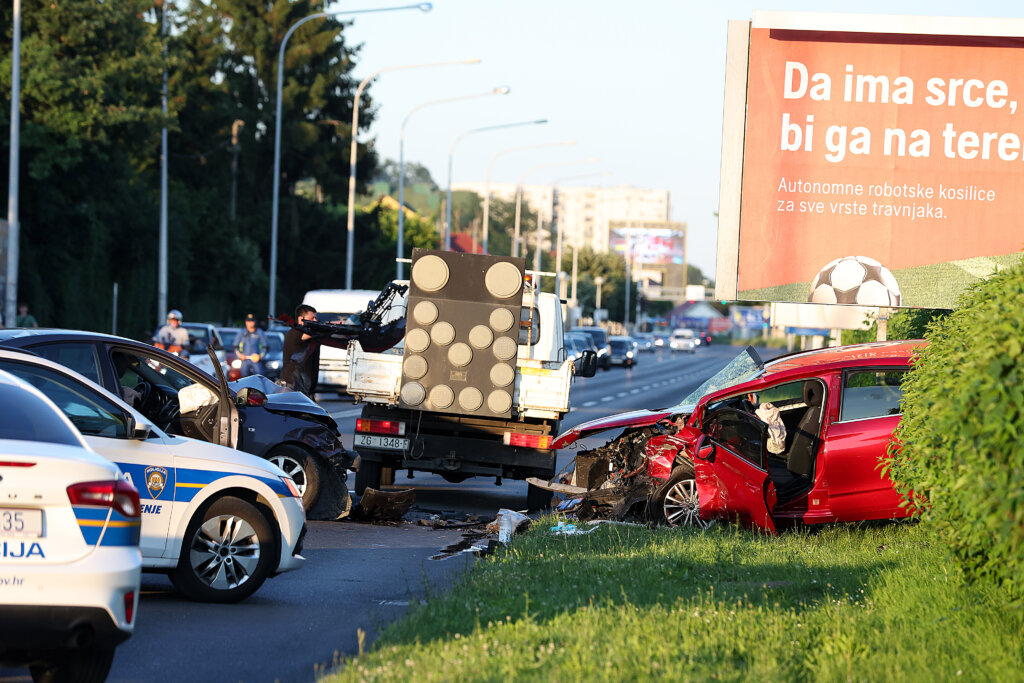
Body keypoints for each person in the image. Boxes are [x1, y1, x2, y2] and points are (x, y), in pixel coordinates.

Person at [280, 304, 319, 397]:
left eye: (315, 318)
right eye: (312, 318)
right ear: (301, 319)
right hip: (292, 384)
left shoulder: (310, 334)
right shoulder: (296, 332)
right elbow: (314, 333)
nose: (315, 321)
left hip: (304, 386)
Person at [232, 313, 268, 377]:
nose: (250, 323)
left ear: (255, 322)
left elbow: (265, 347)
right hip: (245, 359)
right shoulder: (242, 332)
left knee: (260, 376)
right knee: (244, 378)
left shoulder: (259, 332)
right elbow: (235, 346)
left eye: (252, 321)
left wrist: (260, 356)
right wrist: (239, 355)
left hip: (256, 360)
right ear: (246, 322)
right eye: (248, 321)